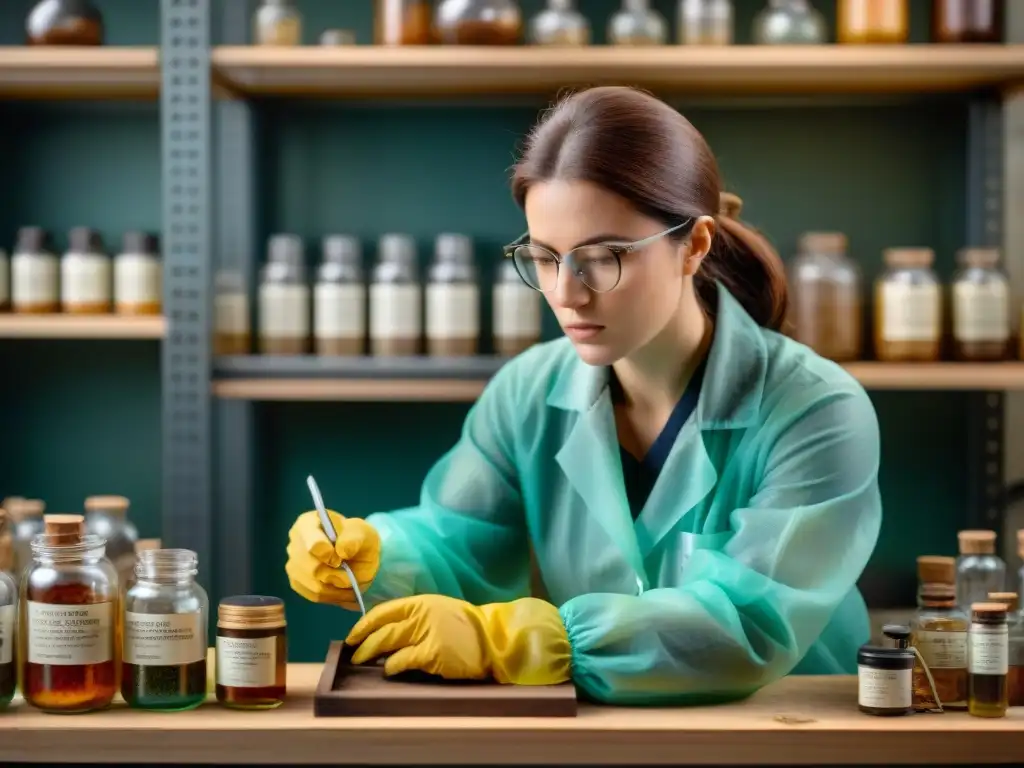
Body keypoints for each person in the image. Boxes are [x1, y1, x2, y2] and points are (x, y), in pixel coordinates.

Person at [285, 86, 882, 706]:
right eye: (544, 257)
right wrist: (377, 555)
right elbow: (461, 538)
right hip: (598, 733)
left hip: (787, 735)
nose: (567, 293)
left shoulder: (817, 411)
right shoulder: (527, 392)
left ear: (695, 245)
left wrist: (531, 641)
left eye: (603, 257)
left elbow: (749, 624)